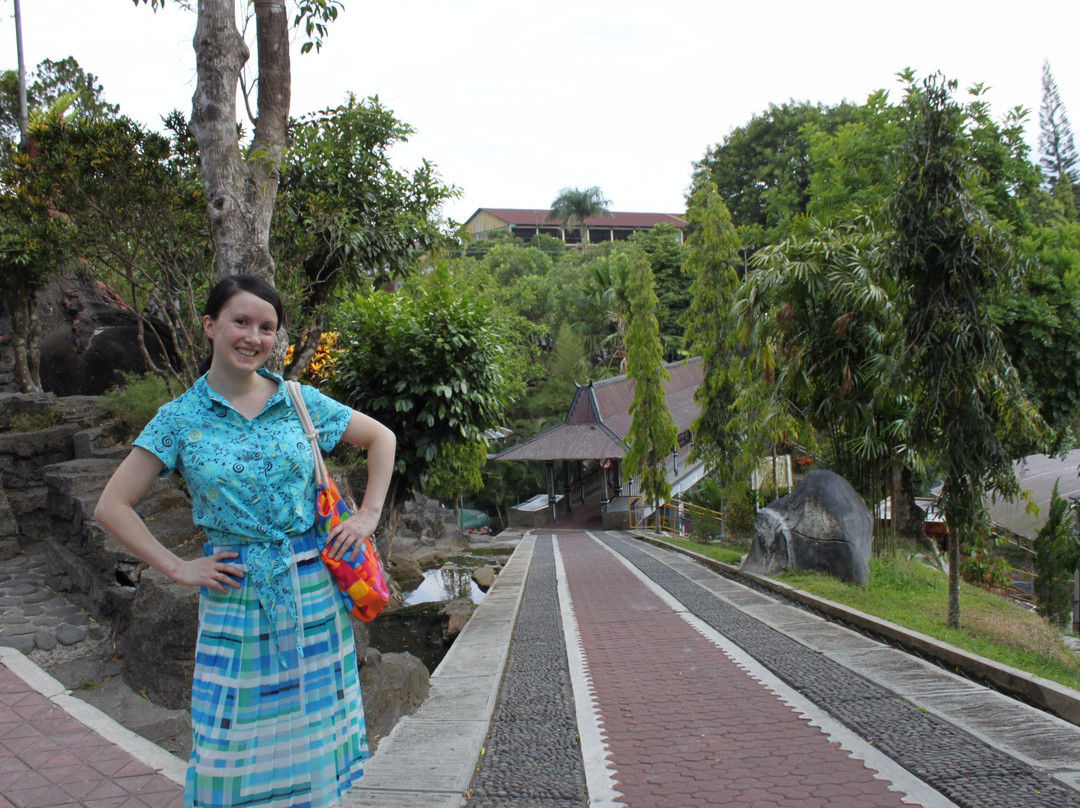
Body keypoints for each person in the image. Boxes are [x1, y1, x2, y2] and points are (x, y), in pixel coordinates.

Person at [94, 274, 396, 808]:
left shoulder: (299, 401)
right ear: (211, 326)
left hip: (313, 588)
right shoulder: (181, 418)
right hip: (236, 592)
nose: (253, 336)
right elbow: (111, 506)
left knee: (318, 730)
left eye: (267, 327)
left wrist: (368, 515)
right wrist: (178, 567)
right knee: (227, 737)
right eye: (241, 322)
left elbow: (381, 438)